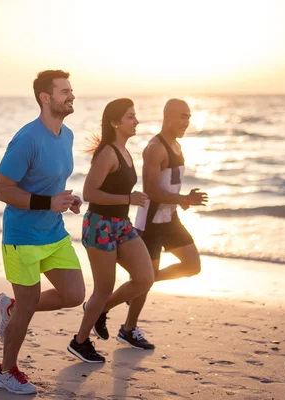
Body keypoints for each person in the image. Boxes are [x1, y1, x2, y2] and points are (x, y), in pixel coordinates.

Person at [0, 70, 85, 394]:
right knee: (29, 306)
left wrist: (67, 200)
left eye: (71, 90)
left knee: (74, 295)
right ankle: (6, 370)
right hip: (22, 238)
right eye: (64, 92)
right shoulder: (27, 139)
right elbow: (2, 189)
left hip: (54, 233)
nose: (71, 96)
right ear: (45, 98)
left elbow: (50, 186)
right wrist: (48, 201)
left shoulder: (67, 135)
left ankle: (11, 307)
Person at [90, 98, 208, 349]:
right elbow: (152, 190)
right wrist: (185, 198)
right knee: (145, 279)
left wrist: (182, 200)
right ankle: (124, 326)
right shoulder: (155, 148)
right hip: (151, 223)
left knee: (192, 266)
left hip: (170, 218)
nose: (187, 122)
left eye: (189, 117)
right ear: (167, 117)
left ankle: (118, 301)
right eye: (182, 116)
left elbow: (168, 183)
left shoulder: (177, 145)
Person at [67, 98, 154, 363]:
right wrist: (129, 199)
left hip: (121, 225)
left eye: (135, 116)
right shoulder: (107, 153)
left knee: (144, 278)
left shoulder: (125, 151)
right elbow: (89, 193)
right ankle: (79, 341)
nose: (136, 121)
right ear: (115, 122)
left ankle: (100, 310)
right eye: (130, 116)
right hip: (100, 225)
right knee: (104, 287)